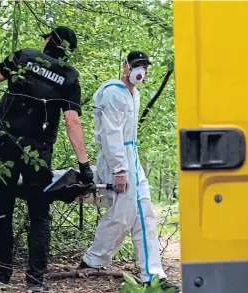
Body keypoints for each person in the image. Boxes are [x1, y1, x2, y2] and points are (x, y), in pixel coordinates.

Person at [0, 26, 94, 292]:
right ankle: (36, 281)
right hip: (38, 154)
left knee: (2, 208)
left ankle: (2, 275)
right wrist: (84, 165)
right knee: (39, 215)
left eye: (46, 37)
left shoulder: (24, 57)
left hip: (6, 145)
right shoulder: (70, 77)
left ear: (50, 40)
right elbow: (72, 122)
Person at [79, 51, 180, 292]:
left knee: (144, 213)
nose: (140, 70)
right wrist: (120, 169)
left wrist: (130, 163)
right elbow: (110, 133)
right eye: (136, 65)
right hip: (117, 159)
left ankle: (152, 275)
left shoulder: (132, 94)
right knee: (123, 214)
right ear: (125, 66)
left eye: (144, 66)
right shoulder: (114, 92)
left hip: (131, 157)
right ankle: (94, 258)